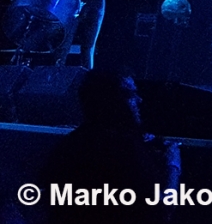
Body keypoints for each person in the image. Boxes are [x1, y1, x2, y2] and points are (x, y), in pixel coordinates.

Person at [38, 70, 180, 223]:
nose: (139, 100)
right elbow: (161, 209)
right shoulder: (124, 150)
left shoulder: (67, 146)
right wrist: (173, 165)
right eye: (130, 94)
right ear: (111, 102)